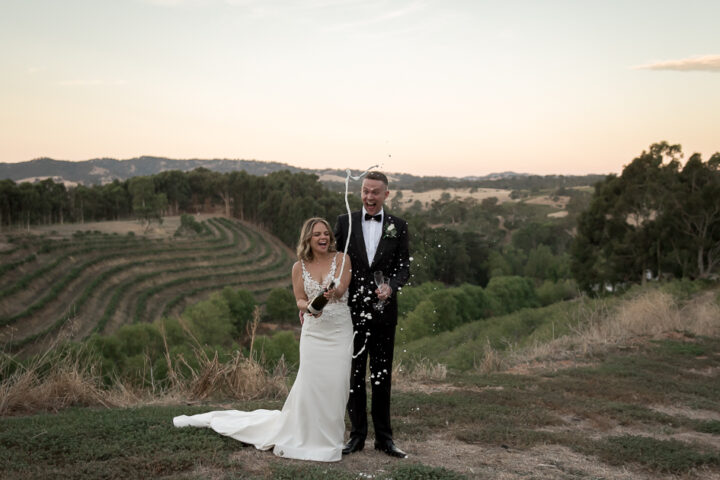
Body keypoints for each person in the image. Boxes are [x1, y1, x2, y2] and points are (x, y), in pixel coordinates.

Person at [173, 217, 353, 462]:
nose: (323, 237)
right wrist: (310, 307)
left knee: (336, 384)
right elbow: (299, 299)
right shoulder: (298, 267)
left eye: (326, 233)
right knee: (311, 383)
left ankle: (330, 437)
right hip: (314, 332)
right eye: (317, 234)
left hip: (340, 330)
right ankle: (309, 436)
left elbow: (342, 289)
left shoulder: (342, 260)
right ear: (307, 240)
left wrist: (333, 292)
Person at [334, 171, 410, 458]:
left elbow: (404, 268)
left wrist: (391, 286)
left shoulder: (398, 226)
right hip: (350, 313)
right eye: (365, 190)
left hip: (384, 313)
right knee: (354, 375)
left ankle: (384, 438)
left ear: (386, 194)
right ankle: (356, 436)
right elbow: (334, 262)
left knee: (382, 374)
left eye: (375, 192)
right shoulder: (345, 222)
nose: (369, 196)